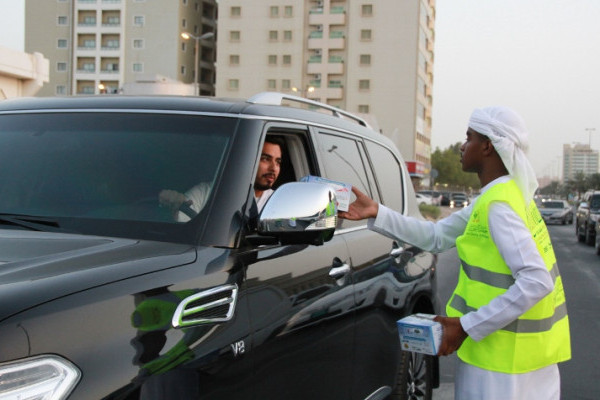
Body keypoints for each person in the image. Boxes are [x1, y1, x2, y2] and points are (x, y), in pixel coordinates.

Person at [339, 107, 571, 399]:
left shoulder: (498, 206)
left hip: (502, 369)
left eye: (469, 138)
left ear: (488, 146)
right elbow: (436, 236)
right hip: (525, 360)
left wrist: (465, 326)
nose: (462, 146)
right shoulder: (501, 197)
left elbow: (536, 281)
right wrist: (378, 213)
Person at [159, 137, 283, 222]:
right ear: (247, 159)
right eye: (265, 159)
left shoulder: (279, 201)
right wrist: (173, 206)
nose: (273, 168)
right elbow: (181, 220)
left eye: (278, 162)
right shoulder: (206, 192)